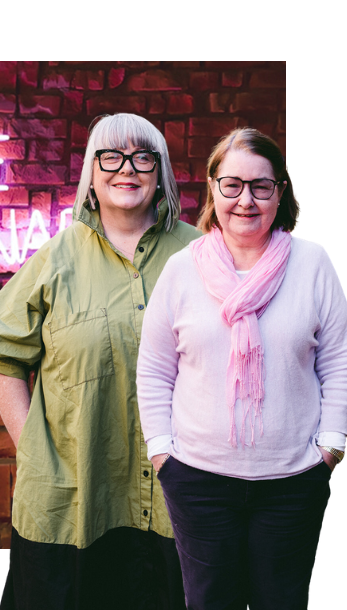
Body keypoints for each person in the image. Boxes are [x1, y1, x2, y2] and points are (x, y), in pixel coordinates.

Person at [0, 113, 200, 610]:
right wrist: (31, 446)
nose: (128, 168)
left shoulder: (200, 254)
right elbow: (2, 355)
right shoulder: (56, 258)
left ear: (160, 171)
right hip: (73, 499)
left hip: (176, 499)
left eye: (143, 156)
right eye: (112, 156)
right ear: (92, 172)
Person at [136, 127, 347, 610]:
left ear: (280, 191)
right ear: (213, 188)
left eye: (261, 186)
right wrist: (162, 454)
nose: (245, 200)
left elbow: (338, 362)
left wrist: (331, 448)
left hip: (292, 481)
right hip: (198, 480)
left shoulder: (312, 264)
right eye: (232, 185)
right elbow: (153, 371)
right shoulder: (182, 269)